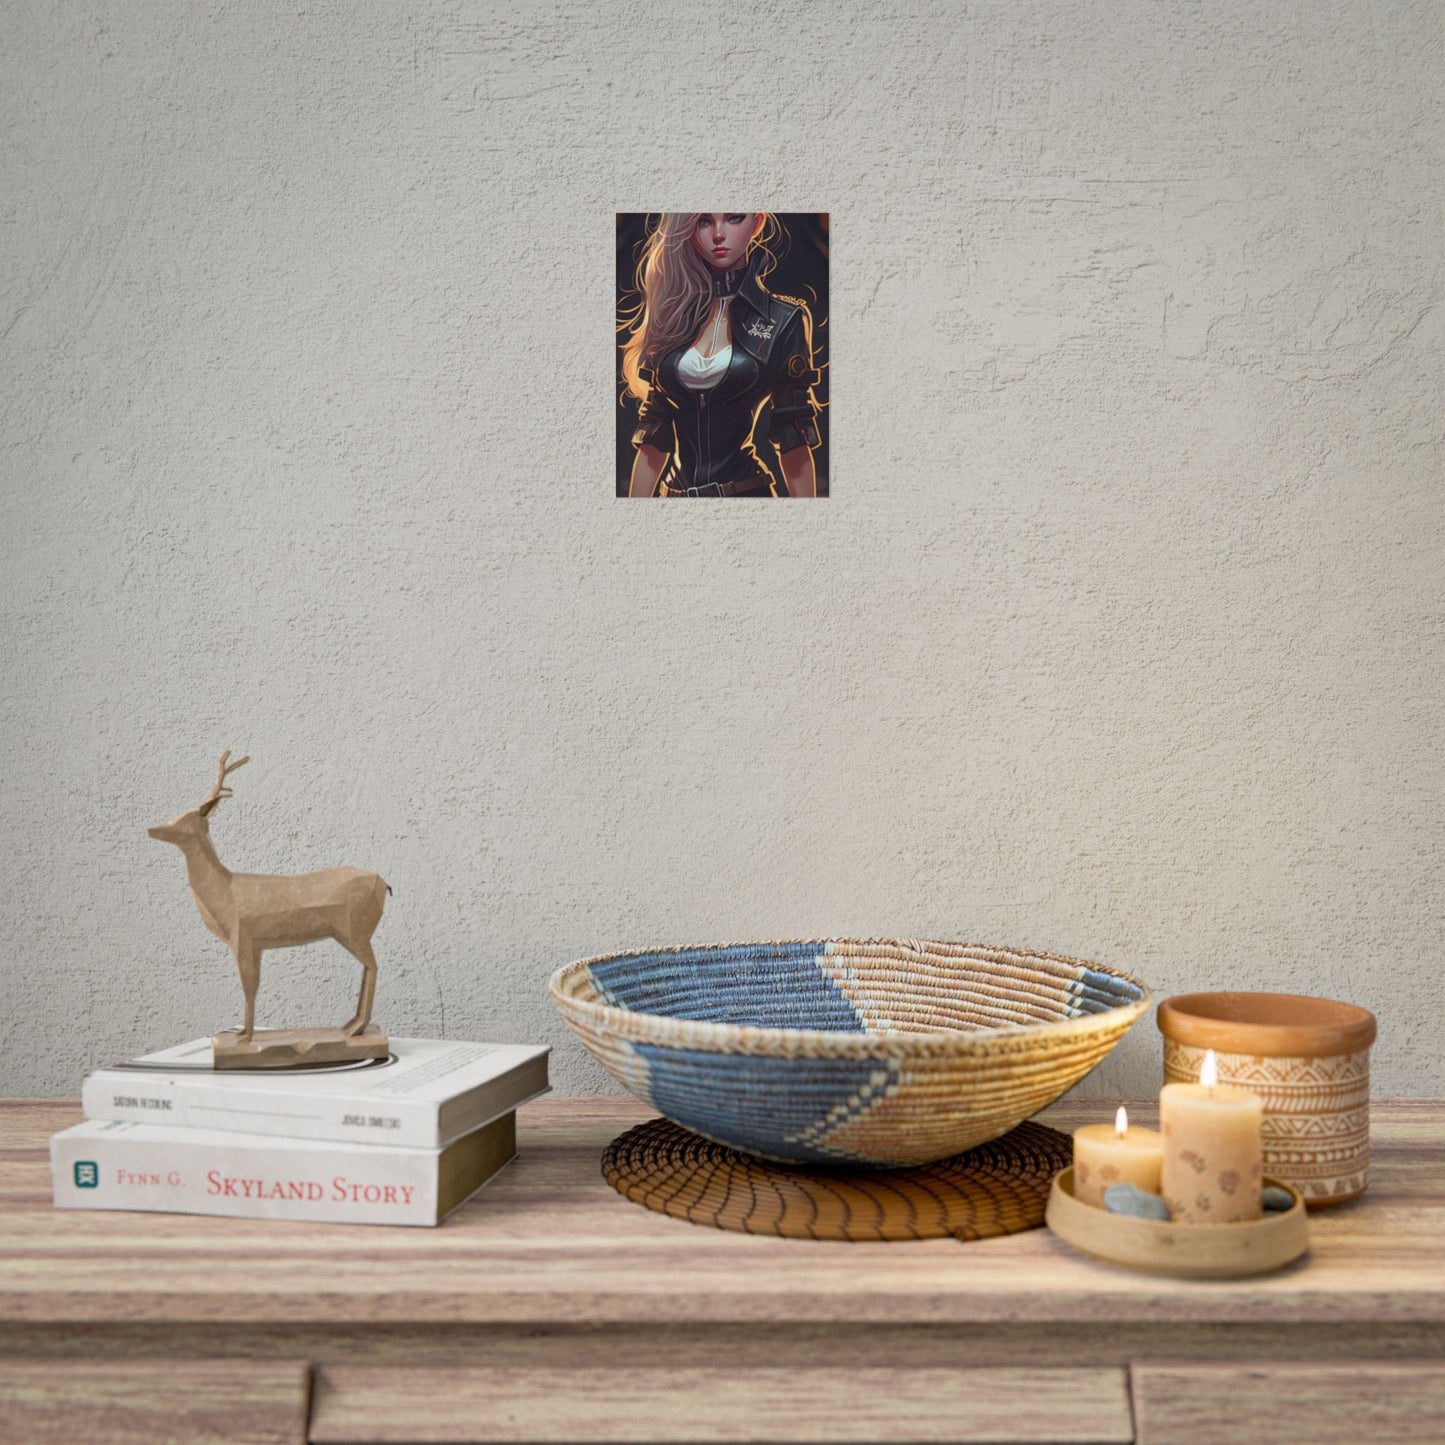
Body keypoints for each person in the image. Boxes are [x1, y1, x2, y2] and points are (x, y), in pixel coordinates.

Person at [619, 213, 823, 497]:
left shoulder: (783, 319)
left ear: (757, 223)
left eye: (734, 218)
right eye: (704, 221)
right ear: (688, 230)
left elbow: (793, 439)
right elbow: (653, 437)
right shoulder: (672, 316)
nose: (718, 234)